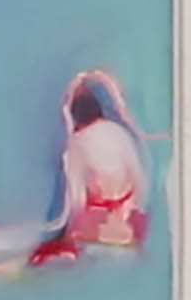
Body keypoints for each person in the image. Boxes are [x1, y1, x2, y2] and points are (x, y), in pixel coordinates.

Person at [29, 70, 152, 266]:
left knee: (48, 256)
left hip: (99, 228)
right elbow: (140, 183)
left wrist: (65, 237)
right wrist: (132, 213)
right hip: (127, 226)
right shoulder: (120, 133)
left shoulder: (77, 144)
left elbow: (77, 201)